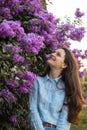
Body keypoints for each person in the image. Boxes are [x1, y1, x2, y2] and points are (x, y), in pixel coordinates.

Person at [28, 47, 84, 130]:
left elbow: (64, 118)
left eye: (58, 54)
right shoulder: (37, 82)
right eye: (54, 52)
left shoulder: (67, 88)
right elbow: (32, 109)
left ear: (64, 65)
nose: (52, 54)